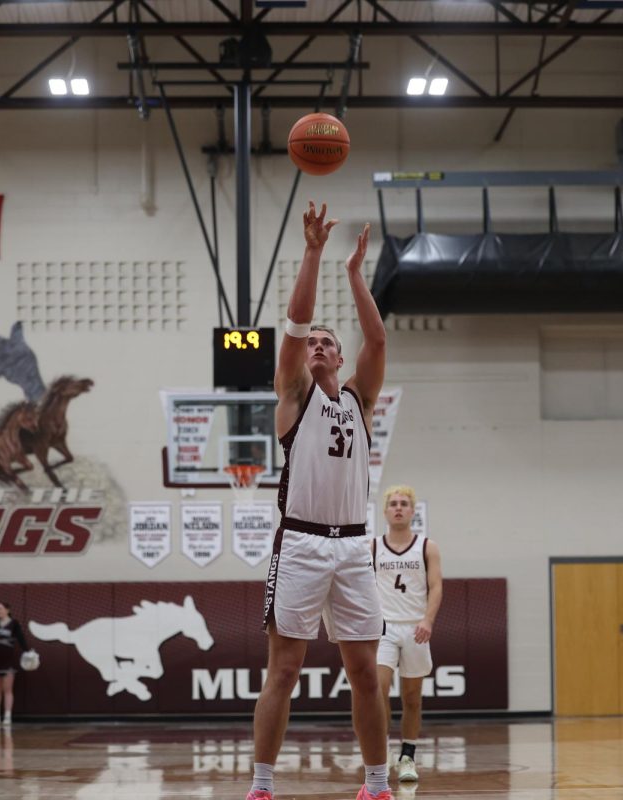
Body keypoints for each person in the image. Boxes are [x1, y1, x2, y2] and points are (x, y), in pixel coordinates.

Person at [249, 202, 388, 800]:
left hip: (355, 546)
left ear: (339, 356)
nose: (319, 346)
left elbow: (377, 338)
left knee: (363, 673)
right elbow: (296, 326)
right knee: (284, 669)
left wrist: (356, 274)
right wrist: (312, 253)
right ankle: (261, 785)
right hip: (302, 542)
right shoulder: (293, 397)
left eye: (329, 343)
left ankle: (377, 783)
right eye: (314, 343)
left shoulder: (359, 400)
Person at [373, 485, 441, 784]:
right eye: (393, 504)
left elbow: (436, 586)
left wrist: (428, 619)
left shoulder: (427, 546)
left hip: (415, 627)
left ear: (413, 511)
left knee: (412, 698)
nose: (398, 508)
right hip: (384, 627)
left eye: (404, 504)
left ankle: (407, 757)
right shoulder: (372, 546)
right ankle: (380, 752)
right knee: (379, 689)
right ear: (385, 511)